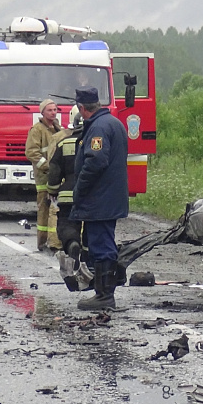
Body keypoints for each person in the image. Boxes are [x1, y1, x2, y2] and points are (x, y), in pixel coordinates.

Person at [70, 86, 129, 310]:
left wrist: (80, 190)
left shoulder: (99, 128)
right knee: (103, 242)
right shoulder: (113, 123)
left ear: (82, 108)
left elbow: (95, 161)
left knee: (101, 245)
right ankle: (103, 292)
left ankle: (104, 295)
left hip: (100, 199)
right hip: (109, 197)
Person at [46, 106, 89, 291]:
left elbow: (54, 170)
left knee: (66, 224)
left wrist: (52, 190)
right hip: (89, 195)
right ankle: (89, 259)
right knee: (91, 228)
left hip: (66, 195)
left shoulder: (64, 144)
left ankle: (72, 243)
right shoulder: (93, 141)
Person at [25, 98, 62, 251]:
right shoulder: (37, 130)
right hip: (44, 178)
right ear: (42, 112)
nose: (53, 112)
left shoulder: (57, 128)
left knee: (56, 209)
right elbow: (31, 152)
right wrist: (48, 167)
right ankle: (42, 243)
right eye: (50, 110)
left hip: (57, 176)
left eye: (55, 110)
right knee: (44, 209)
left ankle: (55, 241)